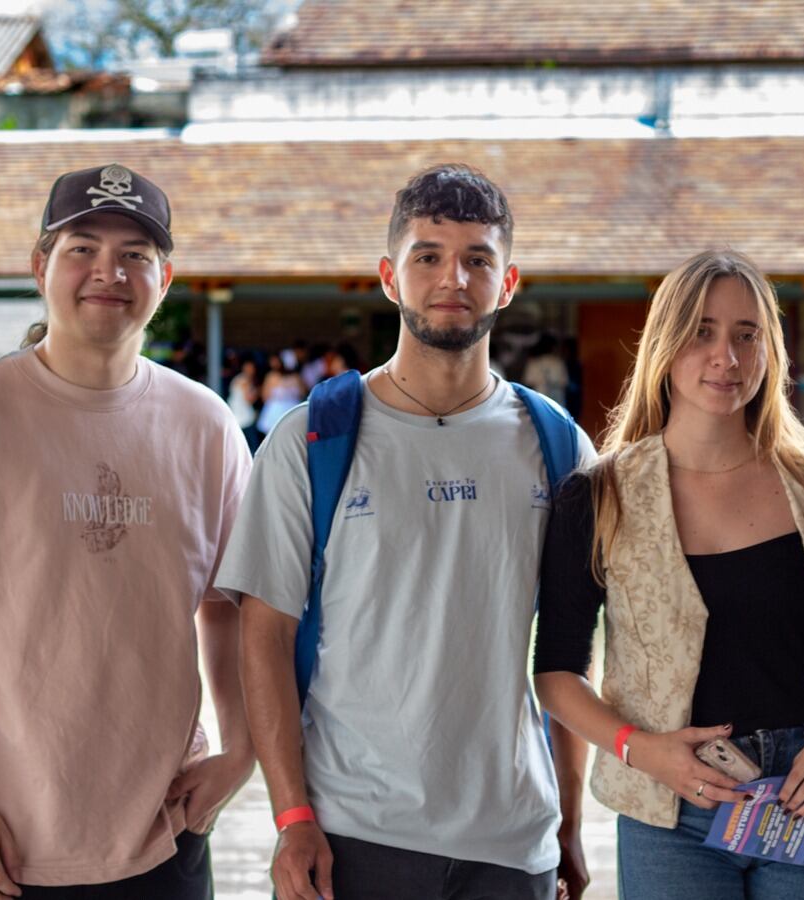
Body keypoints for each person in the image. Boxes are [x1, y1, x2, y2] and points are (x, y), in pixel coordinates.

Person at [0, 163, 255, 899]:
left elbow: (228, 608)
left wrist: (241, 750)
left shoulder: (205, 426)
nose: (108, 272)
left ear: (163, 279)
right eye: (83, 247)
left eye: (135, 255)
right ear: (41, 266)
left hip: (162, 837)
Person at [216, 164, 594, 900]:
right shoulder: (311, 441)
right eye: (428, 256)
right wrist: (292, 816)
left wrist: (569, 824)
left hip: (512, 839)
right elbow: (261, 636)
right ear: (390, 277)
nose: (452, 277)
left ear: (507, 282)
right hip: (354, 829)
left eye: (477, 259)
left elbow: (568, 654)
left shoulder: (557, 445)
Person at [535, 249, 804, 900]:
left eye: (746, 334)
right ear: (665, 344)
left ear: (769, 350)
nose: (725, 356)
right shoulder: (599, 494)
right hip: (674, 807)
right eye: (702, 331)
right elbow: (556, 670)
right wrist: (638, 748)